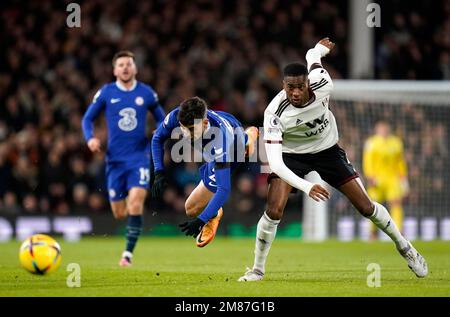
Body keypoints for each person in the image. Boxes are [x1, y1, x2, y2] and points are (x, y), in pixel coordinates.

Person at [238, 38, 427, 281]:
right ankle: (257, 270)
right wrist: (307, 187)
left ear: (308, 83)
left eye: (299, 86)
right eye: (289, 87)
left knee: (366, 207)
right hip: (291, 155)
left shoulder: (324, 84)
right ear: (283, 85)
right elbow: (275, 164)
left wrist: (317, 50)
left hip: (327, 151)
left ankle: (405, 247)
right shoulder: (274, 113)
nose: (294, 93)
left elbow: (314, 61)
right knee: (274, 209)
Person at [82, 51, 165, 266]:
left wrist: (160, 130)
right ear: (114, 70)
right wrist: (90, 139)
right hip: (114, 161)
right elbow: (87, 119)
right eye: (121, 65)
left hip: (139, 157)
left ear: (135, 68)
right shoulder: (107, 92)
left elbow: (161, 118)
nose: (125, 68)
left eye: (129, 64)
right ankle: (131, 215)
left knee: (136, 203)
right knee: (119, 213)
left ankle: (127, 255)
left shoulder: (146, 93)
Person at [151, 96, 258, 247]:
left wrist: (202, 219)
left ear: (205, 123)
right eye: (183, 128)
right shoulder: (178, 116)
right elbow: (157, 138)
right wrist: (159, 171)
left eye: (191, 130)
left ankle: (214, 215)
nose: (186, 134)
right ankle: (249, 137)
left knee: (192, 208)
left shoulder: (220, 142)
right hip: (226, 122)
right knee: (191, 208)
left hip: (233, 149)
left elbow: (224, 189)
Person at [363, 120, 409, 237]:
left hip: (392, 179)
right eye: (381, 128)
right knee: (372, 207)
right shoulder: (371, 143)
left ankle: (399, 233)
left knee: (396, 204)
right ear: (376, 129)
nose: (383, 130)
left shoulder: (396, 142)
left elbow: (400, 162)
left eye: (385, 128)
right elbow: (367, 161)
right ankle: (373, 233)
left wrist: (404, 179)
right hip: (376, 179)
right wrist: (369, 176)